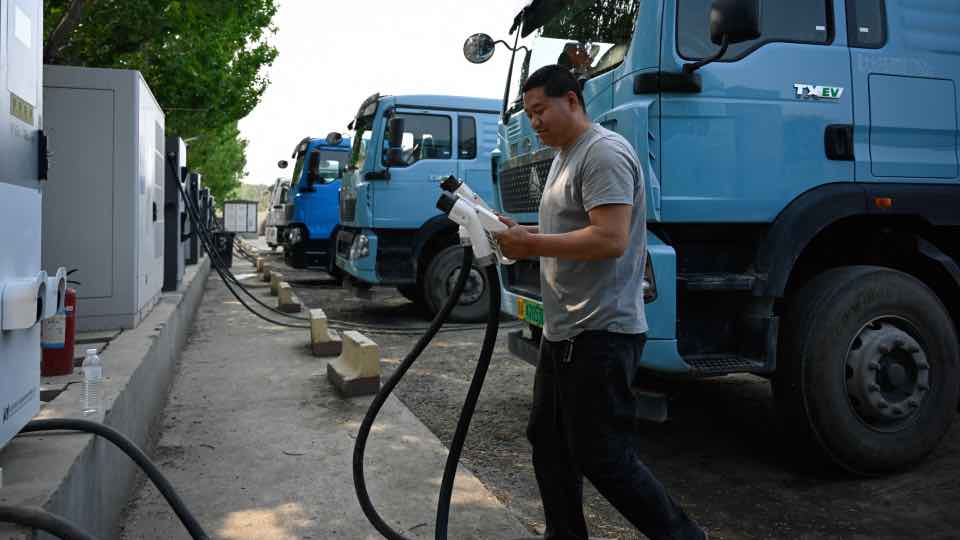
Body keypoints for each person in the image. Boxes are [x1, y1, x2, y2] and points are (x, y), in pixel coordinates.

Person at [494, 65, 706, 540]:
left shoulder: (603, 153)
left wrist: (532, 246)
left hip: (601, 332)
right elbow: (565, 230)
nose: (534, 123)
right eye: (528, 115)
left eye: (539, 110)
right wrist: (518, 232)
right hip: (565, 330)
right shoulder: (563, 156)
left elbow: (609, 238)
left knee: (603, 455)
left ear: (571, 100)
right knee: (548, 442)